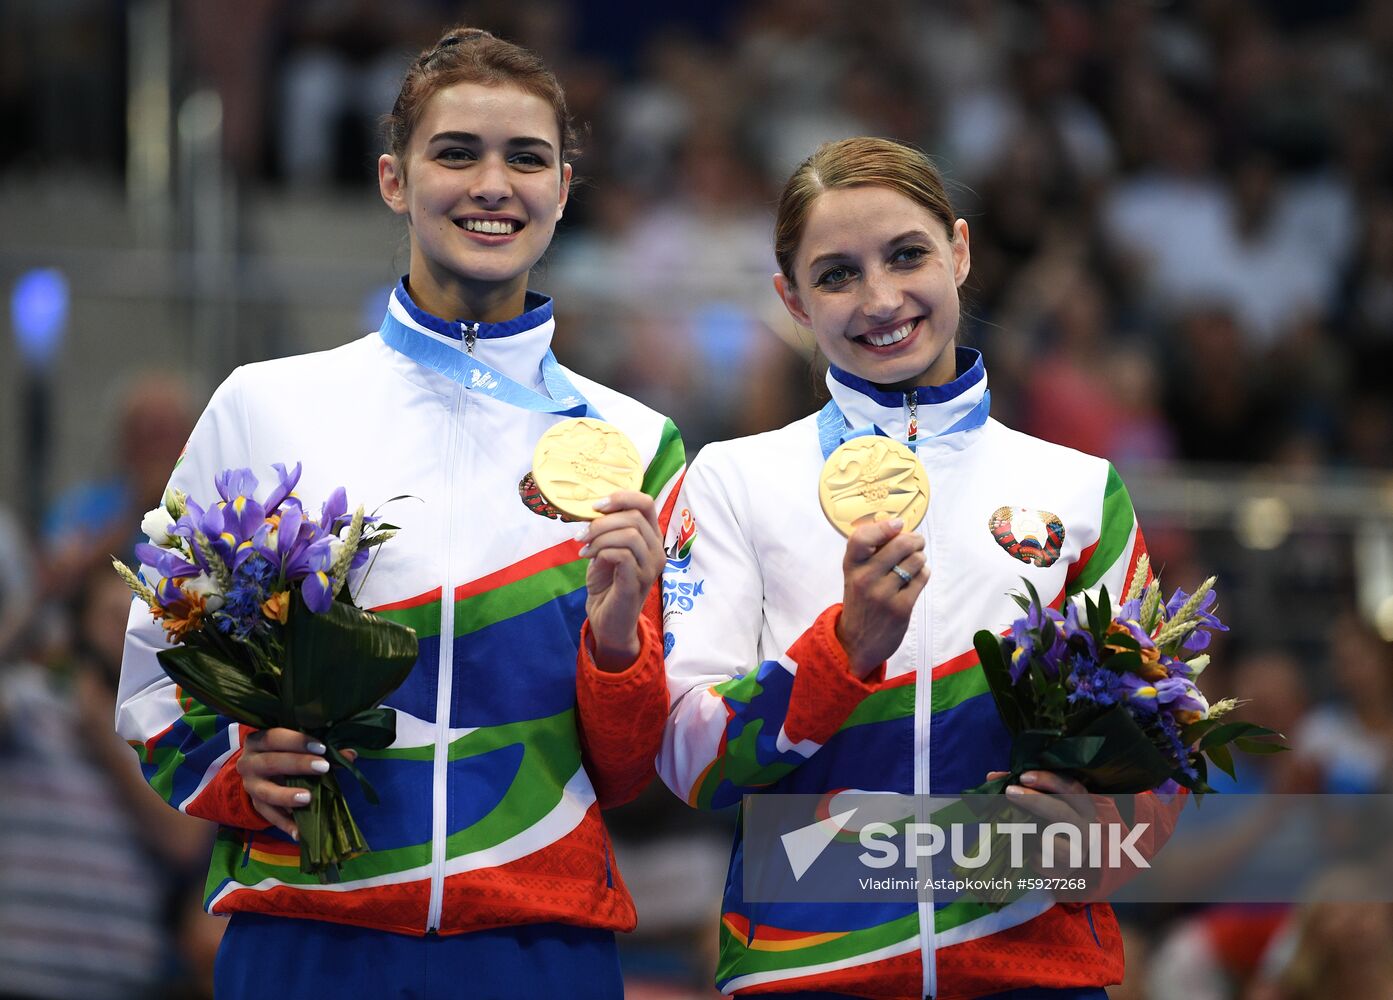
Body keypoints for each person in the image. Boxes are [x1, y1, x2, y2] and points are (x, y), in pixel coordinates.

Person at [117, 27, 685, 1000]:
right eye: (455, 152)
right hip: (307, 929)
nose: (491, 184)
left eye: (526, 157)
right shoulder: (265, 403)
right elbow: (155, 671)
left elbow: (633, 769)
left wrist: (618, 638)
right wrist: (234, 768)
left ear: (562, 188)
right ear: (393, 178)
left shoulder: (639, 443)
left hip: (532, 939)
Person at [658, 137, 1163, 998]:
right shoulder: (731, 481)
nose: (881, 298)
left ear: (959, 252)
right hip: (810, 971)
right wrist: (841, 652)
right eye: (836, 274)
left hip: (1032, 970)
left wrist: (1104, 838)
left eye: (906, 255)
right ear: (791, 299)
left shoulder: (1080, 492)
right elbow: (687, 758)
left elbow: (1157, 752)